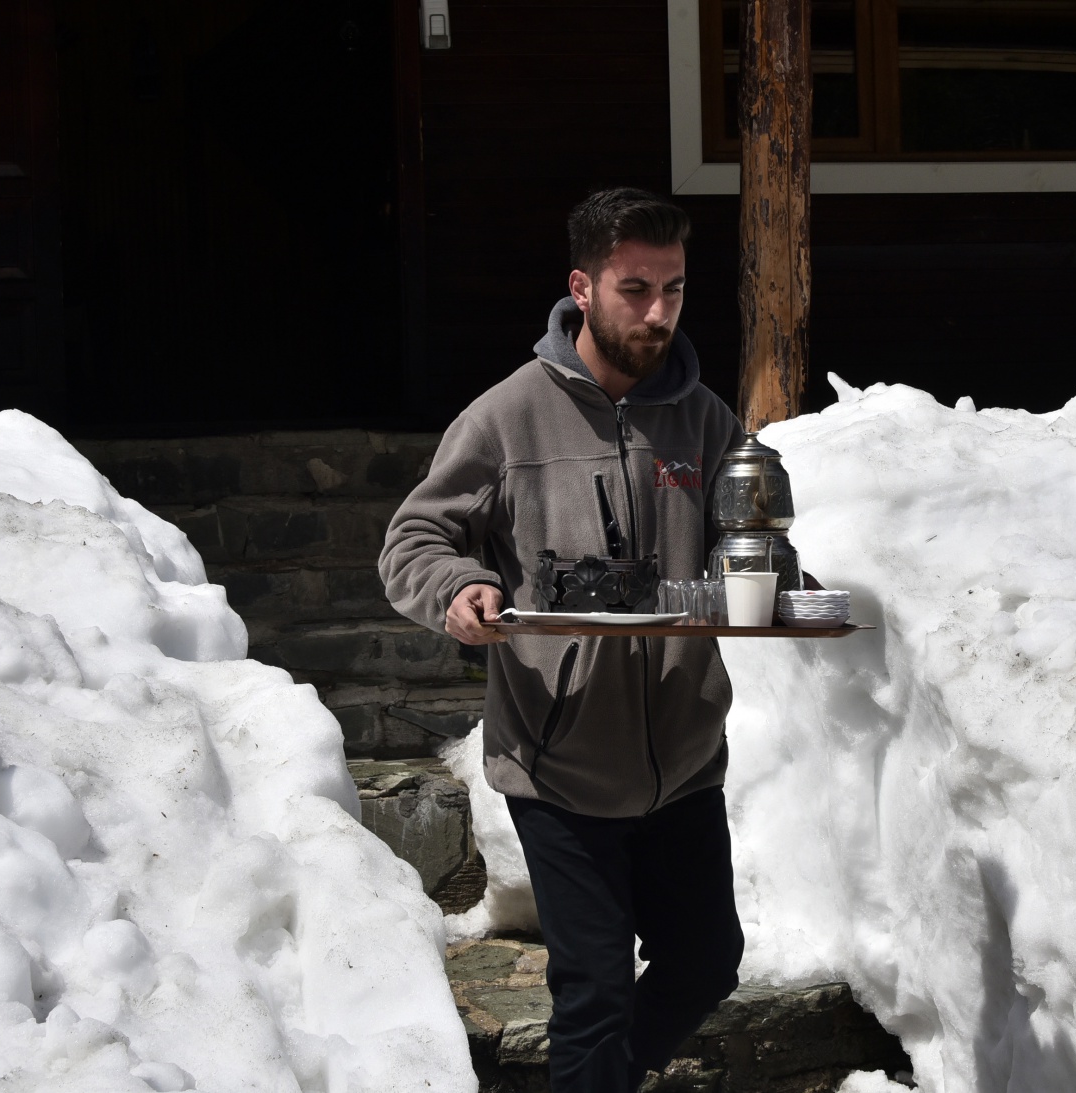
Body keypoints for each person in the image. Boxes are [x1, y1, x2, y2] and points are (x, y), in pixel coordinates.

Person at [378, 187, 747, 1093]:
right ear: (581, 288)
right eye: (635, 290)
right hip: (558, 759)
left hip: (684, 755)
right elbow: (412, 541)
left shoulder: (704, 419)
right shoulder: (507, 416)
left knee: (706, 961)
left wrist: (778, 580)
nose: (658, 313)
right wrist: (460, 588)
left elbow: (748, 541)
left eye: (673, 289)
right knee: (595, 992)